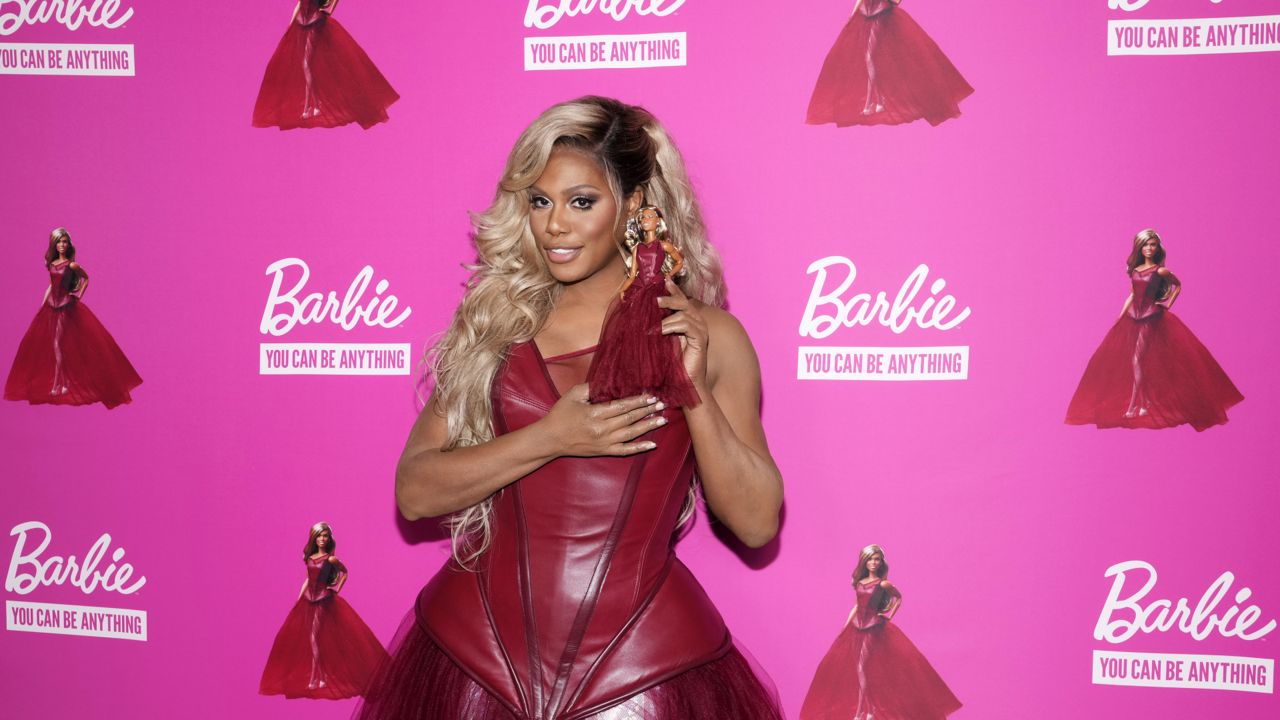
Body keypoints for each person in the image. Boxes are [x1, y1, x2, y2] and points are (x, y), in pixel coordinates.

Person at [357, 96, 785, 720]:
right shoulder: (497, 327)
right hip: (475, 664)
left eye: (581, 202)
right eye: (539, 201)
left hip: (642, 672)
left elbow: (755, 523)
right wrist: (552, 437)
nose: (554, 225)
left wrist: (689, 388)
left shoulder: (709, 335)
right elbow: (415, 492)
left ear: (636, 205)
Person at [1066, 229, 1243, 431]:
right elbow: (1132, 295)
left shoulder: (1160, 271)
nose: (1149, 248)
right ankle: (1144, 402)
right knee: (1132, 360)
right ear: (1139, 247)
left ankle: (1134, 404)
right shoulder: (1135, 270)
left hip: (1150, 317)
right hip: (1132, 317)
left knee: (1137, 360)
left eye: (1153, 245)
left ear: (1158, 248)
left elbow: (1178, 286)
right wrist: (1120, 316)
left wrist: (1167, 304)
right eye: (1146, 245)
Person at [799, 545, 961, 720]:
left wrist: (889, 616)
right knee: (859, 669)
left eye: (877, 559)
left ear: (881, 562)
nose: (873, 562)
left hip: (872, 629)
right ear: (864, 561)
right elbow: (856, 605)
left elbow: (898, 597)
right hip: (856, 628)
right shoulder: (860, 583)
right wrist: (844, 627)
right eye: (870, 559)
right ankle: (866, 710)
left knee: (862, 668)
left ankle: (863, 711)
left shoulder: (883, 584)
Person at [4, 228, 142, 408]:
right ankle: (62, 382)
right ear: (54, 244)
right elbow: (50, 285)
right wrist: (42, 304)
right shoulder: (52, 263)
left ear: (69, 244)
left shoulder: (71, 265)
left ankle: (58, 383)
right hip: (51, 307)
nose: (62, 245)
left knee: (57, 344)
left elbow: (86, 279)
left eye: (64, 242)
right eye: (59, 242)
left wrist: (78, 295)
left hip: (64, 307)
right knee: (54, 345)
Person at [260, 522, 388, 699]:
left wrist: (336, 590)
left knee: (314, 637)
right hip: (308, 600)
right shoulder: (309, 557)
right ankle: (319, 676)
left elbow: (345, 573)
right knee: (312, 638)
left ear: (329, 539)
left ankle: (316, 677)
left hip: (322, 600)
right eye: (319, 535)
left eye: (325, 536)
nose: (322, 539)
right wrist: (299, 598)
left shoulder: (330, 559)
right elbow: (308, 578)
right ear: (314, 537)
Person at [807, 0, 973, 127]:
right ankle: (878, 101)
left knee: (870, 59)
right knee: (870, 59)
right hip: (866, 15)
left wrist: (888, 2)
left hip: (880, 15)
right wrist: (852, 16)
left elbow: (896, 1)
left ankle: (872, 102)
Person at [252, 0, 399, 130]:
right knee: (307, 66)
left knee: (306, 65)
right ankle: (314, 105)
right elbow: (298, 4)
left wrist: (329, 9)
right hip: (300, 24)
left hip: (314, 23)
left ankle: (309, 107)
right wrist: (290, 26)